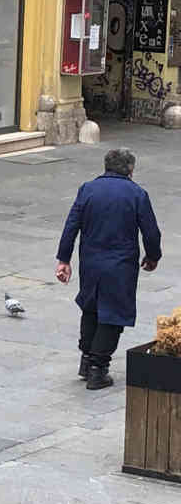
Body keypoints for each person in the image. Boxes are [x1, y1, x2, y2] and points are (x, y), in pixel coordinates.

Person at [56, 148, 161, 390]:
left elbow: (71, 225)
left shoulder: (87, 189)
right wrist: (153, 256)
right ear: (131, 170)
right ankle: (97, 369)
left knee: (91, 308)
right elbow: (151, 231)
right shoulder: (137, 194)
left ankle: (85, 359)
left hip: (90, 262)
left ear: (105, 166)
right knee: (113, 314)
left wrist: (64, 259)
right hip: (120, 264)